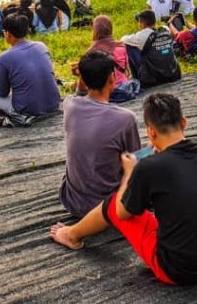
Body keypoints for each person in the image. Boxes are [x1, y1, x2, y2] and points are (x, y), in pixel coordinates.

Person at [49, 93, 197, 285]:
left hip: (179, 270)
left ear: (151, 132)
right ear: (184, 122)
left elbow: (122, 213)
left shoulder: (149, 168)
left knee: (113, 203)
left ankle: (71, 235)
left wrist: (130, 173)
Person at [60, 52, 141, 218]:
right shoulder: (125, 118)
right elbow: (134, 161)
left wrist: (83, 77)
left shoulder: (69, 105)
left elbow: (80, 94)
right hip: (108, 207)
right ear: (112, 78)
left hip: (73, 201)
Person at [0, 14, 61, 116]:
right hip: (54, 103)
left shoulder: (4, 58)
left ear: (8, 34)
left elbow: (2, 92)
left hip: (27, 109)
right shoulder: (41, 46)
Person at [73, 15, 139, 102]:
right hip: (126, 86)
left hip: (107, 91)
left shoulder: (92, 52)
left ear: (95, 31)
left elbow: (90, 77)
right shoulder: (121, 46)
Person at [120, 10, 181, 88]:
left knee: (129, 46)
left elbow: (123, 39)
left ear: (141, 24)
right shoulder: (165, 30)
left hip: (153, 79)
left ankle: (136, 79)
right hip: (173, 74)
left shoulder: (143, 36)